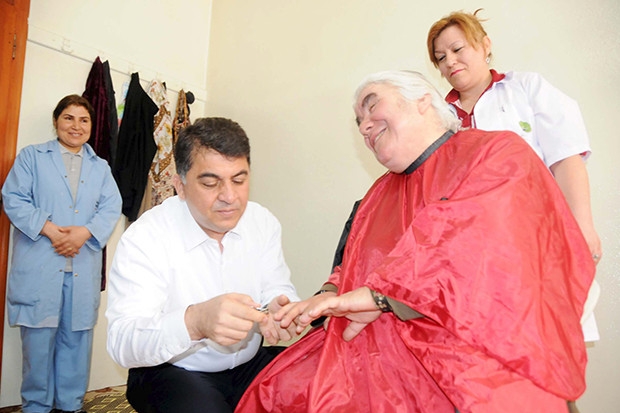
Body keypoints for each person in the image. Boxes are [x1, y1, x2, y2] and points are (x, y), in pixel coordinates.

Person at [234, 71, 595, 413]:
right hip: (378, 352)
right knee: (276, 390)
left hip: (476, 345)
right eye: (358, 121)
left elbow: (476, 240)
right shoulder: (377, 194)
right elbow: (358, 261)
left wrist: (382, 297)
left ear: (423, 100)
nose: (364, 126)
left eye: (372, 106)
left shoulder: (497, 152)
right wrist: (328, 295)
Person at [426, 10, 601, 344]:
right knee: (485, 347)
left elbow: (566, 158)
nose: (450, 61)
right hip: (468, 256)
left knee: (547, 342)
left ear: (485, 45)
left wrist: (583, 225)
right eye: (440, 57)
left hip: (536, 239)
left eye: (458, 49)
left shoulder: (525, 89)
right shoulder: (438, 118)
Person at [105, 117, 300, 413]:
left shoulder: (262, 222)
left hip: (247, 364)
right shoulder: (146, 237)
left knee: (317, 385)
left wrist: (279, 308)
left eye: (239, 180)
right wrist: (194, 322)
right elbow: (122, 342)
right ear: (180, 186)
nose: (229, 197)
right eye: (210, 183)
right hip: (172, 369)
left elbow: (276, 286)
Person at [1, 94, 122, 413]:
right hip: (40, 266)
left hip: (81, 266)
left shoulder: (100, 167)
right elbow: (13, 198)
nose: (76, 126)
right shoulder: (32, 157)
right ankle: (36, 407)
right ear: (56, 121)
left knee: (76, 342)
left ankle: (70, 405)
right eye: (69, 117)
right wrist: (51, 230)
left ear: (91, 126)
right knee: (37, 346)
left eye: (84, 120)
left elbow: (112, 207)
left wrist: (84, 232)